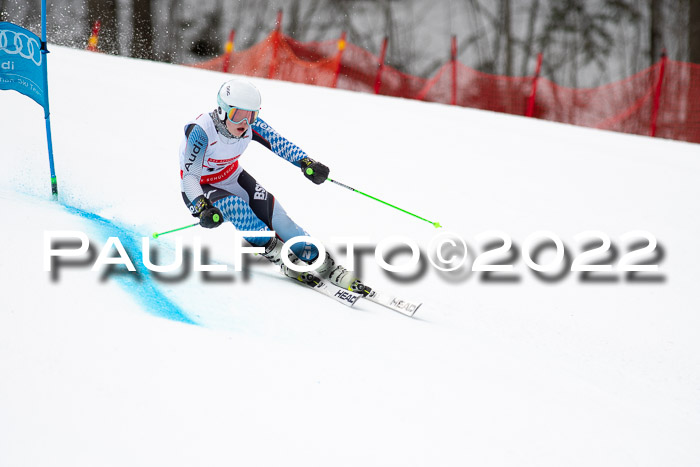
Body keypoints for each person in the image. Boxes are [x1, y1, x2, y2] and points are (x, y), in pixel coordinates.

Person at [178, 78, 366, 293]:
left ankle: (326, 266)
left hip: (232, 177)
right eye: (238, 114)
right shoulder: (201, 131)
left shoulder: (250, 126)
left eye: (252, 115)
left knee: (282, 223)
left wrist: (306, 163)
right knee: (236, 207)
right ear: (222, 111)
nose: (245, 123)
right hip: (199, 188)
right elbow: (190, 177)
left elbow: (279, 143)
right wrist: (202, 206)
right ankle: (278, 255)